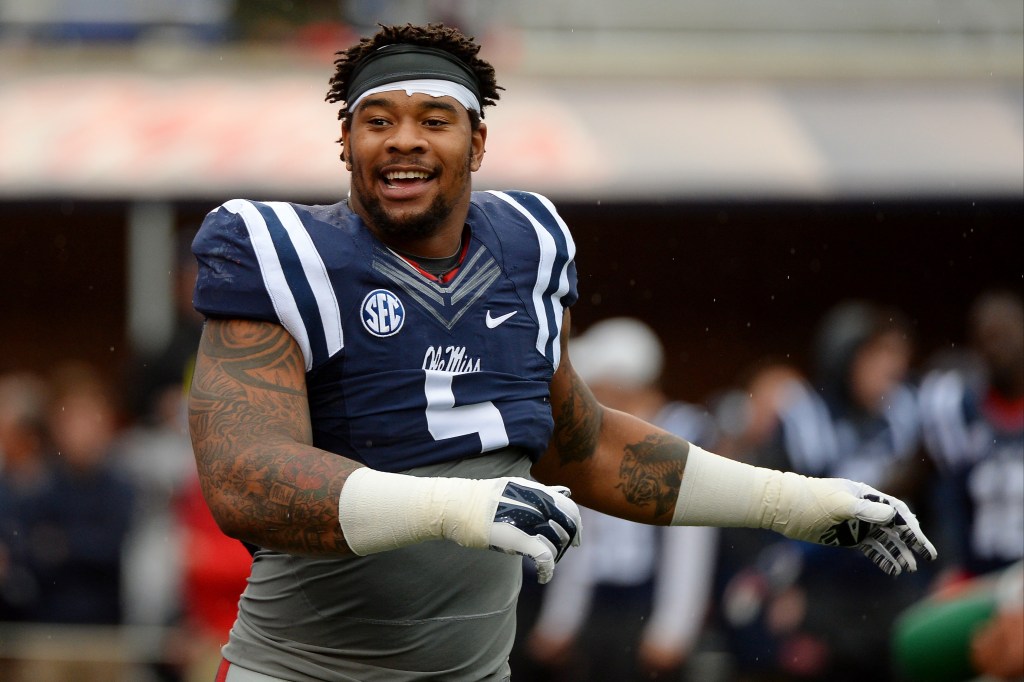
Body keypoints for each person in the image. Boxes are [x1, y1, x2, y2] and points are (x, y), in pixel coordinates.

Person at [187, 23, 936, 682]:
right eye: (376, 119)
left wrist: (794, 502)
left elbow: (584, 447)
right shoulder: (279, 251)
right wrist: (455, 507)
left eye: (434, 119)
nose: (404, 138)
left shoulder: (528, 246)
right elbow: (245, 478)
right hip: (302, 671)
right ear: (345, 141)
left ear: (477, 141)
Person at [525, 317, 719, 681]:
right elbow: (583, 537)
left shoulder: (678, 434)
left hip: (647, 604)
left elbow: (691, 541)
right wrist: (561, 621)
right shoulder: (597, 440)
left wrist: (673, 628)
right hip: (602, 608)